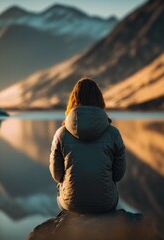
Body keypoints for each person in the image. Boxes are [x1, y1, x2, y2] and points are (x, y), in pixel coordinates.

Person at [49, 77, 126, 213]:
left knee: (59, 186)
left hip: (71, 205)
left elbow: (57, 175)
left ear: (73, 100)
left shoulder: (60, 134)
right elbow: (118, 175)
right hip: (106, 204)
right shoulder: (113, 134)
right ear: (99, 100)